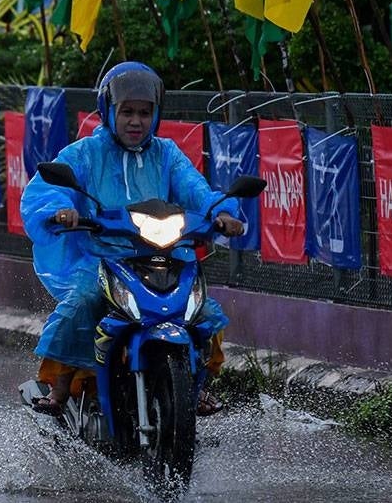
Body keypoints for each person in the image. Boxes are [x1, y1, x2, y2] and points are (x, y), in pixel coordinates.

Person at [20, 61, 245, 416]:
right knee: (83, 301)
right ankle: (60, 388)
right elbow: (47, 189)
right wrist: (61, 211)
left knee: (203, 313)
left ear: (156, 114)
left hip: (164, 253)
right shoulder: (85, 153)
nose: (136, 121)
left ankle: (194, 384)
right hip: (103, 257)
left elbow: (196, 188)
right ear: (108, 111)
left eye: (144, 112)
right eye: (127, 112)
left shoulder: (167, 153)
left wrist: (222, 213)